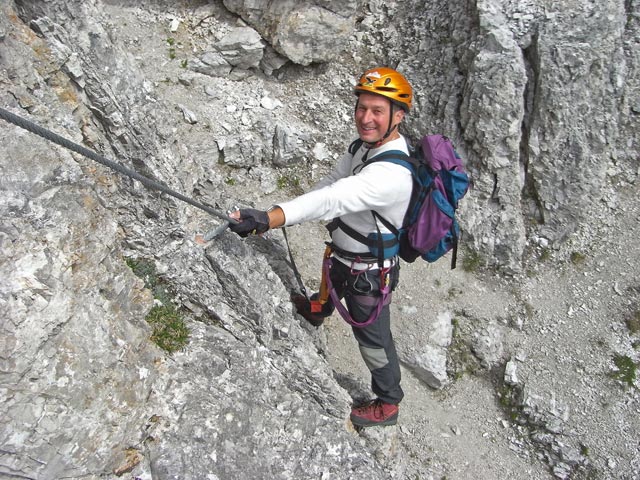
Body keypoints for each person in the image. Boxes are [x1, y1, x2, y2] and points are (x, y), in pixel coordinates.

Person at [229, 67, 414, 428]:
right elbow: (331, 182)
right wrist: (277, 213)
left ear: (398, 116)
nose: (366, 118)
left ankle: (389, 403)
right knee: (333, 276)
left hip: (370, 274)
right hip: (348, 257)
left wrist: (272, 218)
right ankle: (320, 308)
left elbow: (334, 198)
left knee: (373, 340)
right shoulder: (364, 148)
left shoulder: (391, 175)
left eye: (377, 110)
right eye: (362, 108)